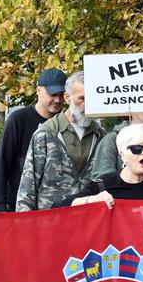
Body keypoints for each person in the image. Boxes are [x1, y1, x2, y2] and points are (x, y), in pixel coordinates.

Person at [16, 72, 109, 211]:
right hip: (52, 221)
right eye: (82, 99)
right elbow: (28, 187)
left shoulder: (101, 135)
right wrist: (25, 226)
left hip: (91, 221)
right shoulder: (46, 134)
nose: (87, 104)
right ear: (67, 98)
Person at [59, 124, 143, 207]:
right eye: (136, 148)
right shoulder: (103, 186)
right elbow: (61, 207)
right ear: (122, 155)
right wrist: (91, 200)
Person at [0, 68, 66, 211]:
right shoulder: (18, 120)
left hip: (58, 211)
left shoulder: (66, 123)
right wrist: (0, 206)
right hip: (22, 210)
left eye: (61, 95)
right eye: (52, 94)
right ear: (38, 89)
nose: (57, 100)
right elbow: (1, 165)